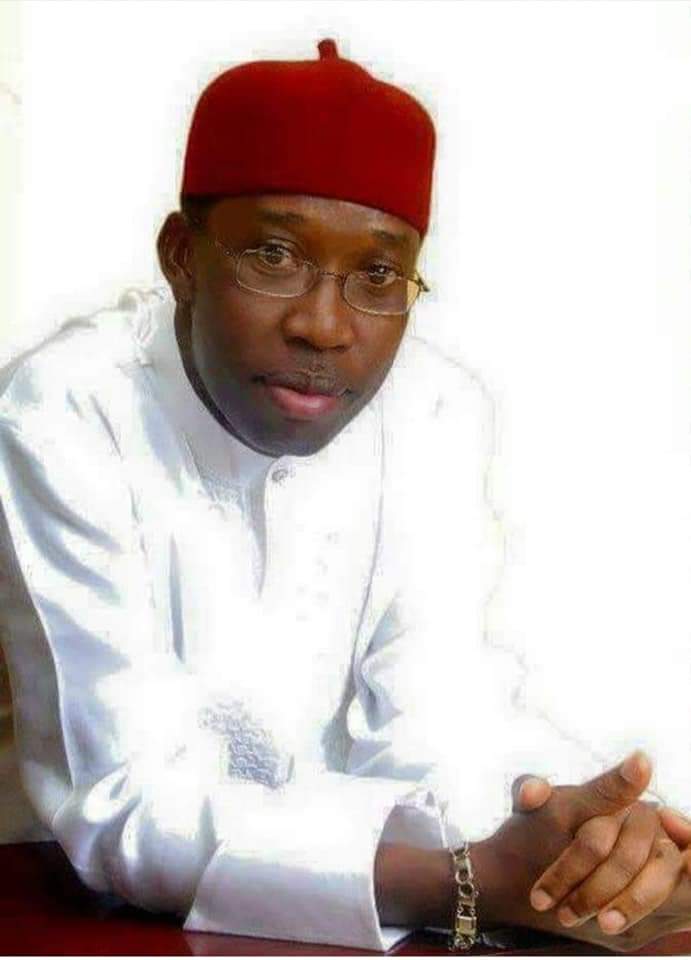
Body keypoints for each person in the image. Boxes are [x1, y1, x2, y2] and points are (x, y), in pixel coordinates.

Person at [0, 37, 689, 952]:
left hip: (363, 905)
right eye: (272, 255)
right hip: (80, 908)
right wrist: (465, 884)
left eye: (376, 275)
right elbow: (123, 805)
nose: (323, 327)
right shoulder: (70, 406)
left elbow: (435, 704)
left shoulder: (434, 407)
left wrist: (589, 837)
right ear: (182, 257)